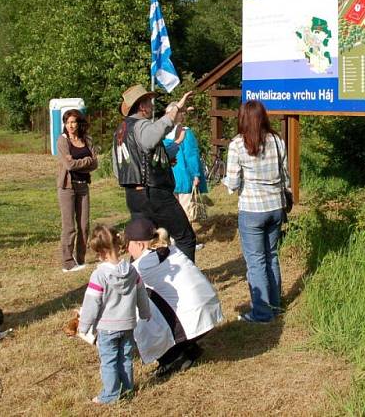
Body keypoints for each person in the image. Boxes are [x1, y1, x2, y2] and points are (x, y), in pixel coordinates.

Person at [125, 218, 223, 377]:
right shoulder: (173, 250)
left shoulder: (140, 267)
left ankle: (171, 357)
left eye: (127, 244)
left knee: (136, 311)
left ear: (140, 244)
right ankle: (187, 348)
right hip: (210, 311)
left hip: (194, 320)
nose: (127, 250)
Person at [112, 84, 198, 261]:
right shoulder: (141, 125)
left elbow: (118, 168)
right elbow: (151, 139)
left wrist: (173, 148)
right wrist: (175, 110)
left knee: (142, 243)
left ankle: (141, 284)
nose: (152, 106)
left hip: (133, 196)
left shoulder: (120, 131)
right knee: (185, 238)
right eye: (149, 102)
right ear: (142, 106)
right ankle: (186, 282)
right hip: (153, 193)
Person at [223, 100, 291, 323]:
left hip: (252, 209)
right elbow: (285, 175)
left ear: (242, 119)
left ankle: (262, 312)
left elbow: (232, 183)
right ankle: (275, 305)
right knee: (271, 256)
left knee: (256, 261)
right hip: (275, 207)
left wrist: (226, 180)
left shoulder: (237, 144)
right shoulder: (277, 140)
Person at [78, 225, 151, 404]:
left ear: (101, 252)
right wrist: (145, 311)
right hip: (128, 325)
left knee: (109, 361)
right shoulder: (132, 271)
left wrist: (84, 325)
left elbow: (92, 302)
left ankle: (110, 395)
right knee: (125, 358)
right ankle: (127, 389)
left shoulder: (99, 275)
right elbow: (142, 293)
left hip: (107, 327)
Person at [56, 109, 98, 272]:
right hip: (67, 186)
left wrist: (83, 161)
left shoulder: (87, 139)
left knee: (84, 225)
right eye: (67, 122)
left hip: (83, 185)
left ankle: (80, 259)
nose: (70, 125)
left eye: (73, 122)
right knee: (69, 226)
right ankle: (67, 262)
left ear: (79, 123)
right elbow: (69, 165)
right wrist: (86, 161)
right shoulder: (62, 141)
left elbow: (95, 164)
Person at [163, 103, 208, 225]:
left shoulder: (162, 135)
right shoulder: (186, 133)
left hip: (167, 177)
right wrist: (196, 175)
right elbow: (191, 155)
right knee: (186, 211)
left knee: (172, 210)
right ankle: (187, 242)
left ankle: (173, 239)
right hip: (184, 176)